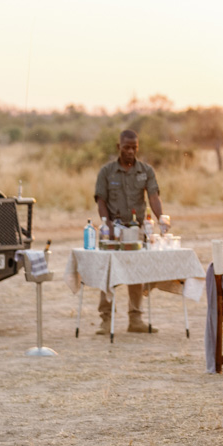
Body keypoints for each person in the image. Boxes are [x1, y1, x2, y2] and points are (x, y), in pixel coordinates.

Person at [93, 129, 164, 334]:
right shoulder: (106, 172)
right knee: (108, 272)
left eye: (134, 147)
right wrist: (107, 225)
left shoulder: (146, 171)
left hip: (137, 230)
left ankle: (135, 319)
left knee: (136, 271)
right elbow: (101, 201)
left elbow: (153, 197)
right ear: (119, 147)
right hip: (113, 229)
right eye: (127, 147)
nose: (131, 151)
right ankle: (106, 320)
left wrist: (162, 220)